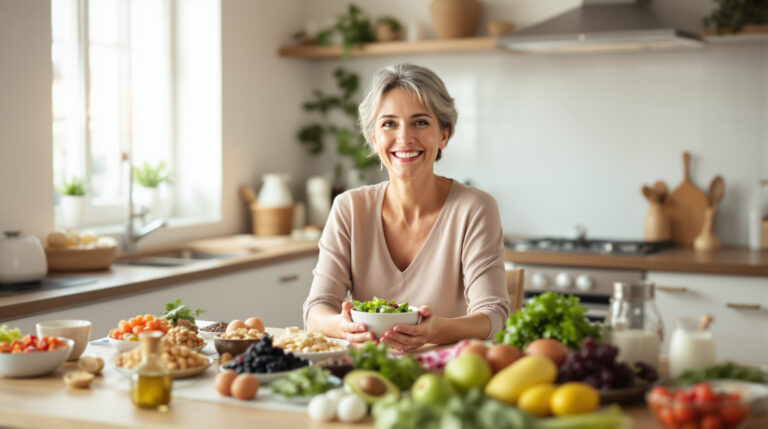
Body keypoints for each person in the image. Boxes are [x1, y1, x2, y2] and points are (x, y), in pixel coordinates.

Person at [303, 64, 509, 351]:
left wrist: (436, 330)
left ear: (444, 135)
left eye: (420, 122)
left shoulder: (474, 208)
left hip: (448, 373)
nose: (404, 137)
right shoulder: (349, 208)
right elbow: (317, 309)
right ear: (373, 139)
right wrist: (343, 326)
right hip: (367, 372)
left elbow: (493, 316)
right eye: (389, 123)